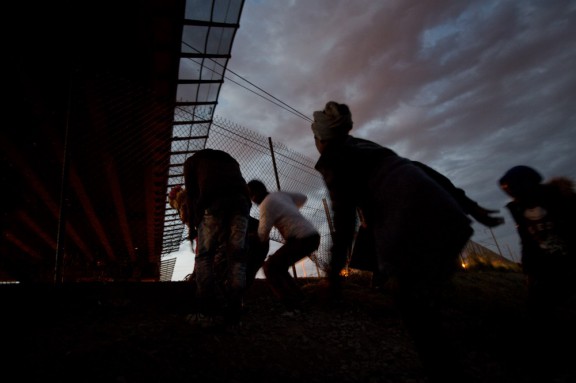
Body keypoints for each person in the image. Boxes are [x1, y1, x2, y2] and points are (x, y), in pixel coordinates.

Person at [311, 100, 504, 382]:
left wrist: (333, 277)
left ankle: (445, 370)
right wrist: (469, 205)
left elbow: (343, 220)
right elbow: (422, 169)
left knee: (414, 306)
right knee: (425, 299)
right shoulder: (367, 147)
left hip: (410, 224)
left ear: (320, 139)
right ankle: (462, 352)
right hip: (445, 215)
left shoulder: (335, 159)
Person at [498, 166, 576, 380]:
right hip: (546, 267)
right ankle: (552, 357)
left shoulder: (562, 199)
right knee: (538, 309)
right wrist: (529, 271)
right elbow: (527, 241)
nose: (509, 193)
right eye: (506, 190)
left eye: (510, 188)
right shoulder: (518, 208)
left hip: (569, 261)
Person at [183, 148, 252, 327]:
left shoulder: (191, 162)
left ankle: (206, 313)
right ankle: (235, 314)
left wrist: (193, 226)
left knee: (205, 256)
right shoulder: (229, 158)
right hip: (241, 203)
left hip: (213, 201)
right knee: (237, 257)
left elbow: (191, 196)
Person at [247, 179, 320, 312]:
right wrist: (288, 209)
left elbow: (263, 234)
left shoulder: (265, 205)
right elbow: (303, 198)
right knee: (279, 267)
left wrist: (251, 237)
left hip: (301, 238)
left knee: (269, 267)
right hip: (312, 236)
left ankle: (292, 306)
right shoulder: (279, 195)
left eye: (251, 196)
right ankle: (300, 299)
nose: (252, 201)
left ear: (255, 194)